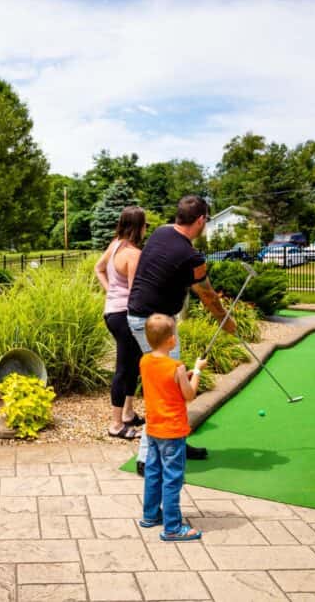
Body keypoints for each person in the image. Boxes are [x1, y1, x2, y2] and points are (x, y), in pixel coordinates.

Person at [128, 195, 235, 472]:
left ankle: (178, 440)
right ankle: (145, 459)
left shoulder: (162, 232)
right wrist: (225, 320)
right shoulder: (192, 257)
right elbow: (207, 294)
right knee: (168, 389)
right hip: (155, 324)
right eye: (206, 221)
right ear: (200, 220)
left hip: (141, 317)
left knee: (165, 385)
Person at [137, 313, 206, 541]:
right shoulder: (177, 366)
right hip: (173, 430)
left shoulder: (144, 361)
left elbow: (164, 385)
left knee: (153, 472)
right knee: (172, 477)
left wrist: (182, 377)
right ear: (170, 340)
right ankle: (173, 528)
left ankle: (149, 515)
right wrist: (196, 371)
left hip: (154, 429)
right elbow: (189, 395)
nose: (175, 337)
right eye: (174, 334)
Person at [95, 205, 147, 439]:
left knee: (133, 364)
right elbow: (137, 294)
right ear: (138, 227)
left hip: (112, 313)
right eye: (145, 224)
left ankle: (128, 413)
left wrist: (111, 293)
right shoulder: (134, 255)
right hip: (125, 316)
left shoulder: (115, 244)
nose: (146, 229)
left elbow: (99, 269)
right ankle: (116, 425)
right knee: (124, 368)